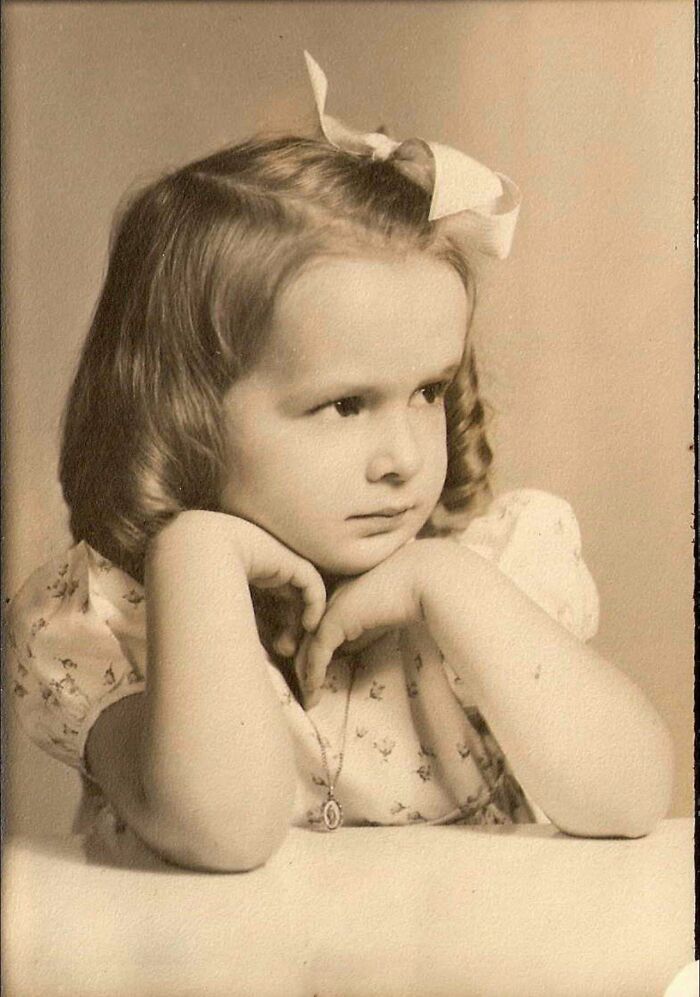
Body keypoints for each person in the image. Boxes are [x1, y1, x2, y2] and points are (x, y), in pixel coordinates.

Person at [6, 53, 673, 872]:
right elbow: (224, 831)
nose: (401, 458)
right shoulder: (103, 620)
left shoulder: (491, 568)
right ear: (185, 411)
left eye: (428, 391)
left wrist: (446, 582)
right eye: (346, 405)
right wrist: (197, 549)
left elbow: (632, 799)